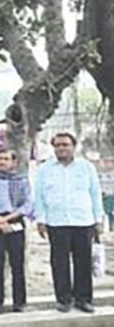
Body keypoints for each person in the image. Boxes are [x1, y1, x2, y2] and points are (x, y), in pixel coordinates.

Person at [36, 132, 103, 314]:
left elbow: (95, 193)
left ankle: (84, 299)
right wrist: (41, 219)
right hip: (56, 222)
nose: (61, 148)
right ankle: (64, 300)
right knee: (59, 262)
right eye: (58, 145)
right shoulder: (45, 169)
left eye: (65, 145)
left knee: (83, 261)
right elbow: (39, 196)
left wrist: (98, 219)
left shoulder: (86, 167)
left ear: (73, 146)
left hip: (83, 220)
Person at [0, 149, 33, 315]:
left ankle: (19, 302)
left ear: (14, 162)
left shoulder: (22, 181)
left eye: (6, 159)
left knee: (17, 263)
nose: (2, 162)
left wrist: (8, 218)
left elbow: (28, 204)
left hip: (15, 221)